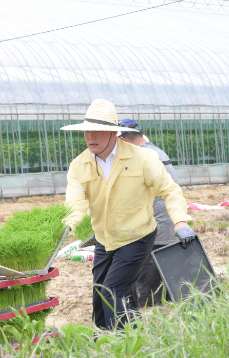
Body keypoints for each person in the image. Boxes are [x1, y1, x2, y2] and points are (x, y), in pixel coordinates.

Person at [61, 99, 195, 331]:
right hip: (105, 238)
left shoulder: (142, 159)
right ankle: (103, 343)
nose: (90, 136)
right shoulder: (79, 165)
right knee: (99, 295)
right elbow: (75, 203)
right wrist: (65, 228)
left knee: (113, 291)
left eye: (98, 131)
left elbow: (170, 190)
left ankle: (123, 345)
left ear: (114, 133)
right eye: (87, 131)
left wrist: (180, 222)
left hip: (138, 236)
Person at [118, 119, 179, 309]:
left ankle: (150, 333)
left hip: (152, 234)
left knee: (147, 297)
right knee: (163, 292)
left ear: (126, 139)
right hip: (168, 234)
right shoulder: (159, 152)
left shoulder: (142, 157)